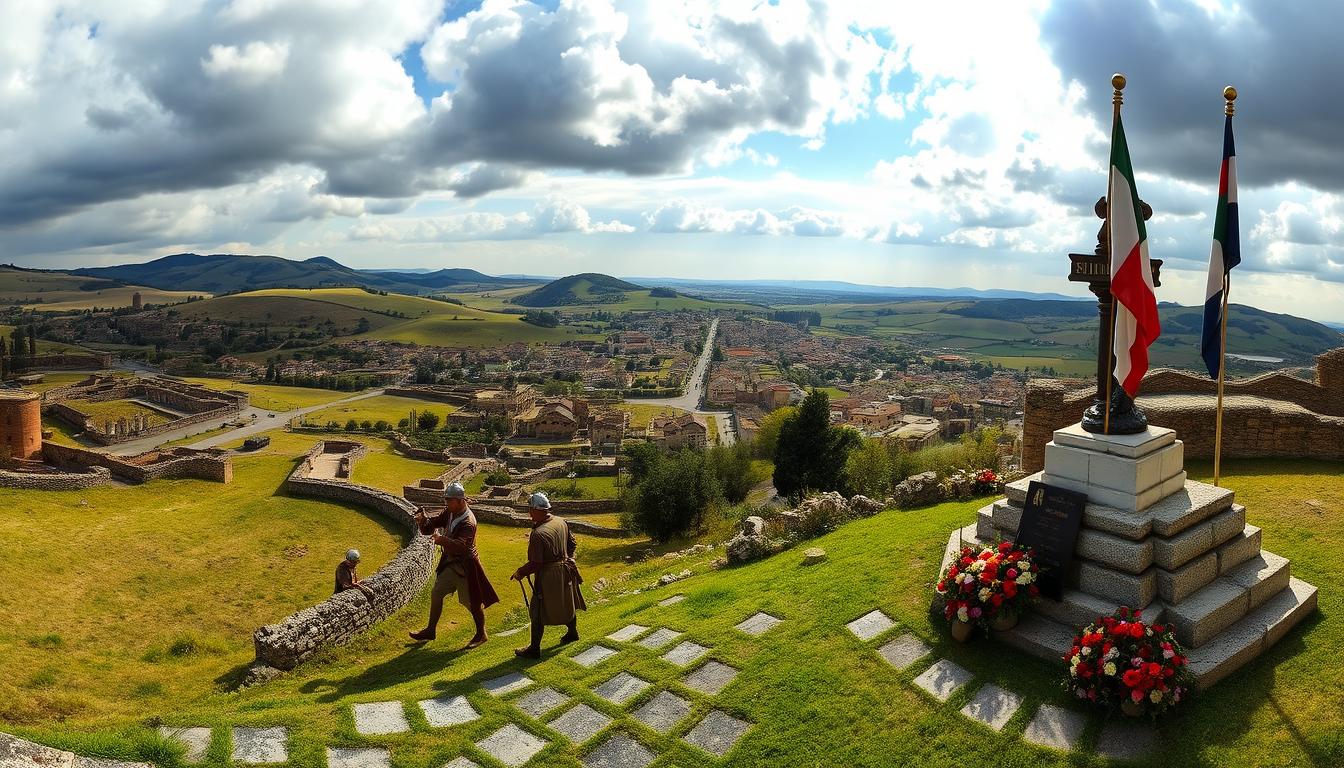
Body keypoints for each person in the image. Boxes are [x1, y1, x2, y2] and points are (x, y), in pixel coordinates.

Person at [410, 482, 499, 648]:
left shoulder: (468, 522)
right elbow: (433, 525)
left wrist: (441, 540)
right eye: (447, 500)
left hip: (466, 567)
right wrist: (423, 521)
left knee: (472, 603)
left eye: (450, 500)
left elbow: (461, 546)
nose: (447, 503)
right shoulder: (450, 511)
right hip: (451, 564)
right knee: (437, 593)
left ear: (460, 500)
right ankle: (431, 630)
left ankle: (481, 634)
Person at [511, 491, 586, 659]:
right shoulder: (561, 522)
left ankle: (534, 648)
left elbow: (536, 564)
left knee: (537, 611)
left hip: (549, 575)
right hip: (566, 571)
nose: (529, 513)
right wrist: (569, 559)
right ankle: (572, 633)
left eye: (530, 509)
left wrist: (520, 572)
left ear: (538, 510)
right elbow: (572, 544)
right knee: (567, 601)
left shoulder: (538, 534)